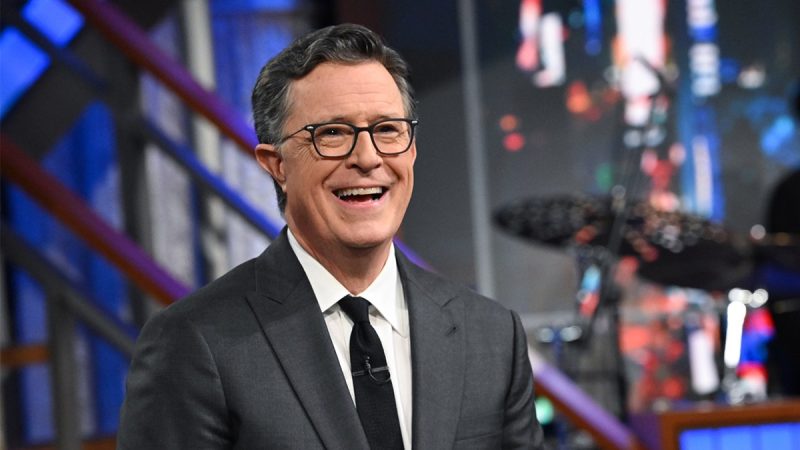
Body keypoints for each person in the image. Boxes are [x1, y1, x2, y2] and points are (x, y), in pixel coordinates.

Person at [117, 23, 543, 449]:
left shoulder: (492, 335)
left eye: (387, 129)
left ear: (411, 150)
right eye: (333, 133)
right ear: (277, 165)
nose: (368, 158)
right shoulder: (193, 343)